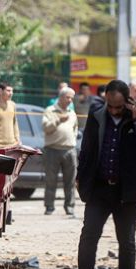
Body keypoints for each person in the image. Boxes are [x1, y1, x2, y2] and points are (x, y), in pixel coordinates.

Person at [71, 80, 136, 269]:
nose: (114, 111)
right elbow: (87, 149)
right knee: (89, 236)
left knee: (126, 240)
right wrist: (80, 176)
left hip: (126, 190)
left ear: (128, 101)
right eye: (110, 105)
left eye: (119, 107)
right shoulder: (97, 115)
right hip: (99, 188)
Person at [41, 87, 78, 216]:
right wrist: (58, 120)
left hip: (69, 150)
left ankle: (70, 207)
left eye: (71, 98)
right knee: (51, 180)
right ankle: (49, 207)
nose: (70, 100)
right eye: (68, 97)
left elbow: (75, 129)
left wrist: (72, 141)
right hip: (52, 149)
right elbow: (46, 128)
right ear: (61, 97)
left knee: (70, 181)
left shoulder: (72, 112)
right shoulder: (50, 111)